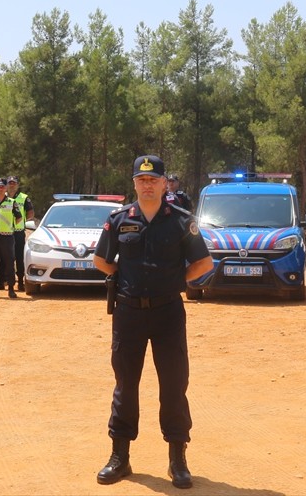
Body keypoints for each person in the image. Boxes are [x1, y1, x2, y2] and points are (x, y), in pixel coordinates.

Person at [93, 154, 212, 489]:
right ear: (134, 183)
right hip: (128, 313)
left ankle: (178, 460)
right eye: (141, 180)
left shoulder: (181, 221)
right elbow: (101, 261)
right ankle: (120, 457)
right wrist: (121, 275)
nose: (147, 185)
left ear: (164, 183)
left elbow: (203, 263)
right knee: (125, 385)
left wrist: (176, 280)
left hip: (167, 314)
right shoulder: (119, 219)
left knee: (173, 386)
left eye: (153, 179)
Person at [5, 175, 34, 290]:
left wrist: (23, 222)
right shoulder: (2, 197)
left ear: (17, 185)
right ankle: (5, 280)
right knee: (5, 257)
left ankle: (20, 281)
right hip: (5, 232)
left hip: (18, 232)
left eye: (14, 183)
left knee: (19, 257)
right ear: (7, 185)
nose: (12, 185)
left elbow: (30, 212)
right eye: (10, 183)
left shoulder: (24, 198)